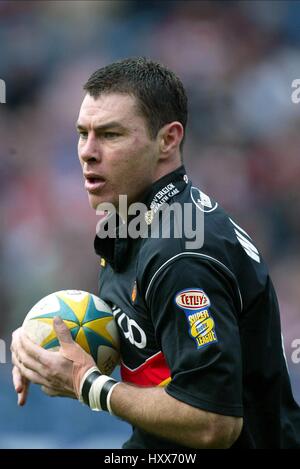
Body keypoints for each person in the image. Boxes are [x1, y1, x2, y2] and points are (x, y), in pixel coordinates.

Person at [11, 57, 300, 449]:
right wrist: (41, 338)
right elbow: (146, 342)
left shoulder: (182, 253)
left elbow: (214, 422)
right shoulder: (137, 222)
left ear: (168, 139)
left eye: (111, 135)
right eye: (83, 133)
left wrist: (86, 384)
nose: (87, 152)